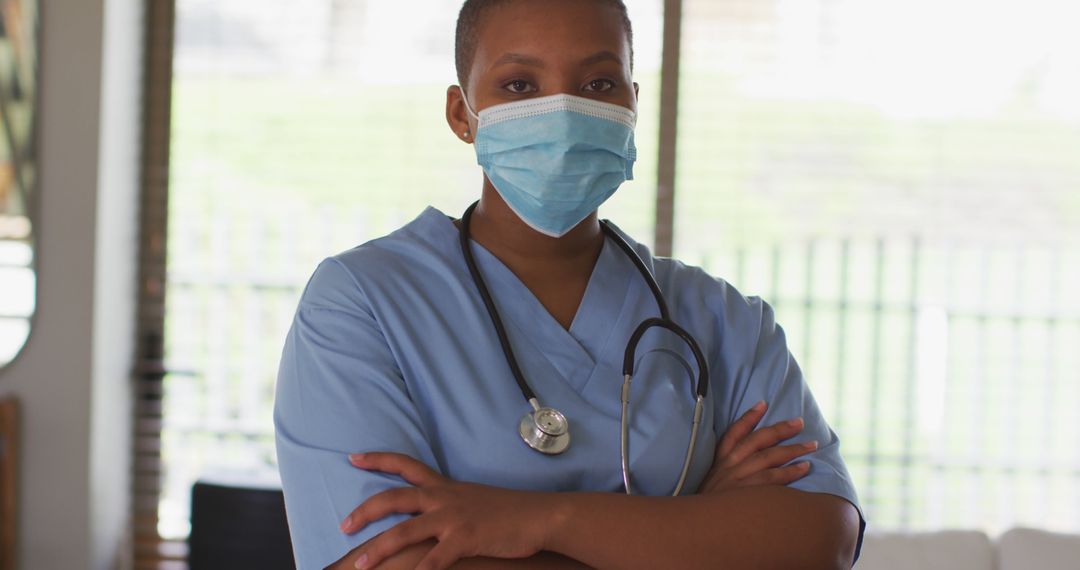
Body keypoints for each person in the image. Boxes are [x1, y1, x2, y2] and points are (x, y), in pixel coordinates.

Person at [274, 0, 865, 568]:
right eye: (520, 86)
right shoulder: (363, 304)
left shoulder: (725, 321)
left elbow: (819, 542)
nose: (561, 112)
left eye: (599, 85)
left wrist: (534, 522)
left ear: (634, 105)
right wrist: (695, 530)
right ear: (462, 115)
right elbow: (383, 562)